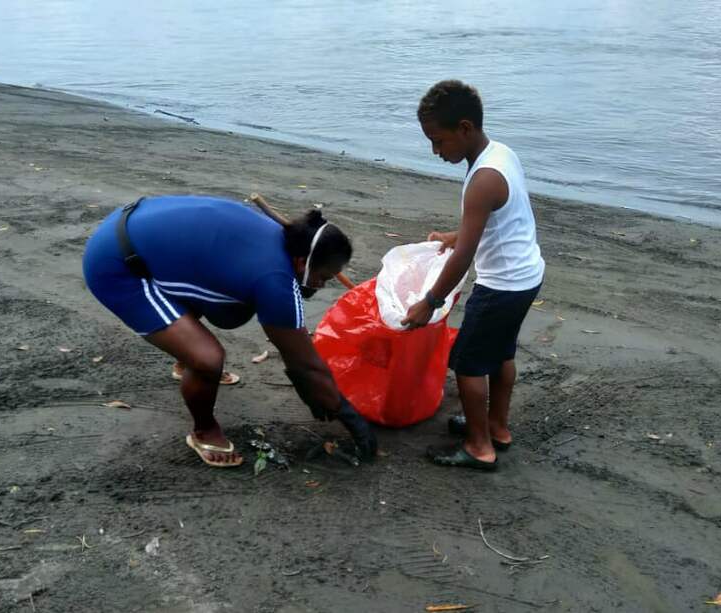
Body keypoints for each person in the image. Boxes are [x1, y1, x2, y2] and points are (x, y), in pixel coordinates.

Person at [82, 195, 377, 467]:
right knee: (208, 359)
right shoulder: (275, 280)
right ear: (302, 262)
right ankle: (204, 431)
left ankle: (184, 360)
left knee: (227, 295)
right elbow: (305, 365)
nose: (321, 285)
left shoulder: (283, 238)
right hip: (118, 264)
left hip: (137, 224)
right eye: (322, 277)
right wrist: (351, 418)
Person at [401, 80, 545, 471]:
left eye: (438, 141)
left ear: (464, 128)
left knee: (468, 363)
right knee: (501, 353)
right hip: (527, 276)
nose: (435, 151)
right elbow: (499, 221)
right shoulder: (501, 154)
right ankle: (496, 426)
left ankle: (479, 447)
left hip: (501, 286)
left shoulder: (482, 180)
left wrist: (429, 301)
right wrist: (456, 234)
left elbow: (464, 257)